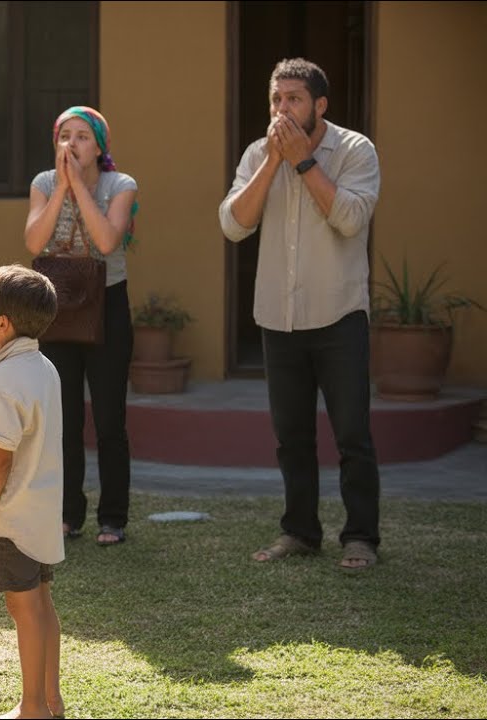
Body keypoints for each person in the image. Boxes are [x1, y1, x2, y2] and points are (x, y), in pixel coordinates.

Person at [219, 58, 382, 571]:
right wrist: (273, 162)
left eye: (293, 99)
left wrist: (306, 163)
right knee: (292, 437)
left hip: (338, 315)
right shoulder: (256, 154)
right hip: (278, 318)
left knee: (352, 434)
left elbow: (353, 219)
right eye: (276, 99)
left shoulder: (355, 150)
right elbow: (233, 225)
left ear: (320, 105)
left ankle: (360, 537)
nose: (282, 109)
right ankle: (300, 531)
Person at [24, 106, 138, 547]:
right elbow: (34, 242)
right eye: (64, 136)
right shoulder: (43, 183)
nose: (72, 144)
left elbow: (107, 242)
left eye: (83, 136)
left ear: (100, 146)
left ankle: (113, 517)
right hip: (59, 306)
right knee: (62, 418)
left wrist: (80, 189)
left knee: (110, 418)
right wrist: (60, 190)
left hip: (106, 304)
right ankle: (68, 515)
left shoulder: (120, 185)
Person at [0, 264, 65, 720]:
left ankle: (32, 708)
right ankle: (50, 700)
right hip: (40, 514)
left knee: (23, 610)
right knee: (41, 605)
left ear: (3, 323)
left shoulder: (3, 380)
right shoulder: (42, 367)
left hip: (12, 517)